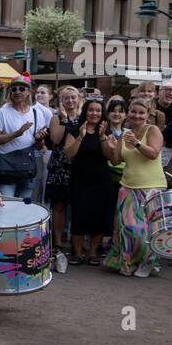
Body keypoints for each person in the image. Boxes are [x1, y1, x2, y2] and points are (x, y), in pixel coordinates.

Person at [103, 99, 166, 277]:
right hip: (127, 186)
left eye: (141, 112)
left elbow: (153, 154)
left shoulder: (152, 130)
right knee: (127, 228)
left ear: (148, 114)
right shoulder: (125, 134)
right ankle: (129, 261)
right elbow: (116, 161)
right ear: (128, 113)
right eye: (133, 112)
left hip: (151, 187)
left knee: (146, 230)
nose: (136, 116)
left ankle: (148, 262)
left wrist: (137, 142)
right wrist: (110, 146)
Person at [64, 99, 116, 265]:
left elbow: (110, 156)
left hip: (101, 180)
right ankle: (77, 252)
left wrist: (102, 137)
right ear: (85, 111)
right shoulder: (74, 130)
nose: (95, 113)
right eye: (91, 110)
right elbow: (69, 154)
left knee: (99, 217)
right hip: (80, 179)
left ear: (102, 114)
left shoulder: (106, 131)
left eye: (98, 111)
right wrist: (81, 136)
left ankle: (93, 252)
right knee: (79, 216)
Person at [0, 76, 51, 198]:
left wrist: (39, 139)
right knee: (7, 208)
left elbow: (39, 147)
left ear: (28, 92)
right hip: (7, 170)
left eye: (22, 89)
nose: (17, 92)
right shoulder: (2, 112)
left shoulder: (36, 113)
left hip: (27, 169)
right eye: (14, 89)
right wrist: (17, 133)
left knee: (23, 211)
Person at [45, 86, 83, 253]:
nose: (70, 101)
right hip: (60, 166)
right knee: (59, 206)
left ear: (79, 99)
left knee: (78, 206)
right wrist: (65, 118)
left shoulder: (84, 117)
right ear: (61, 101)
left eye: (73, 97)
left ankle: (76, 243)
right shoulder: (56, 118)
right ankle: (58, 242)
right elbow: (55, 139)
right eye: (66, 98)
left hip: (79, 164)